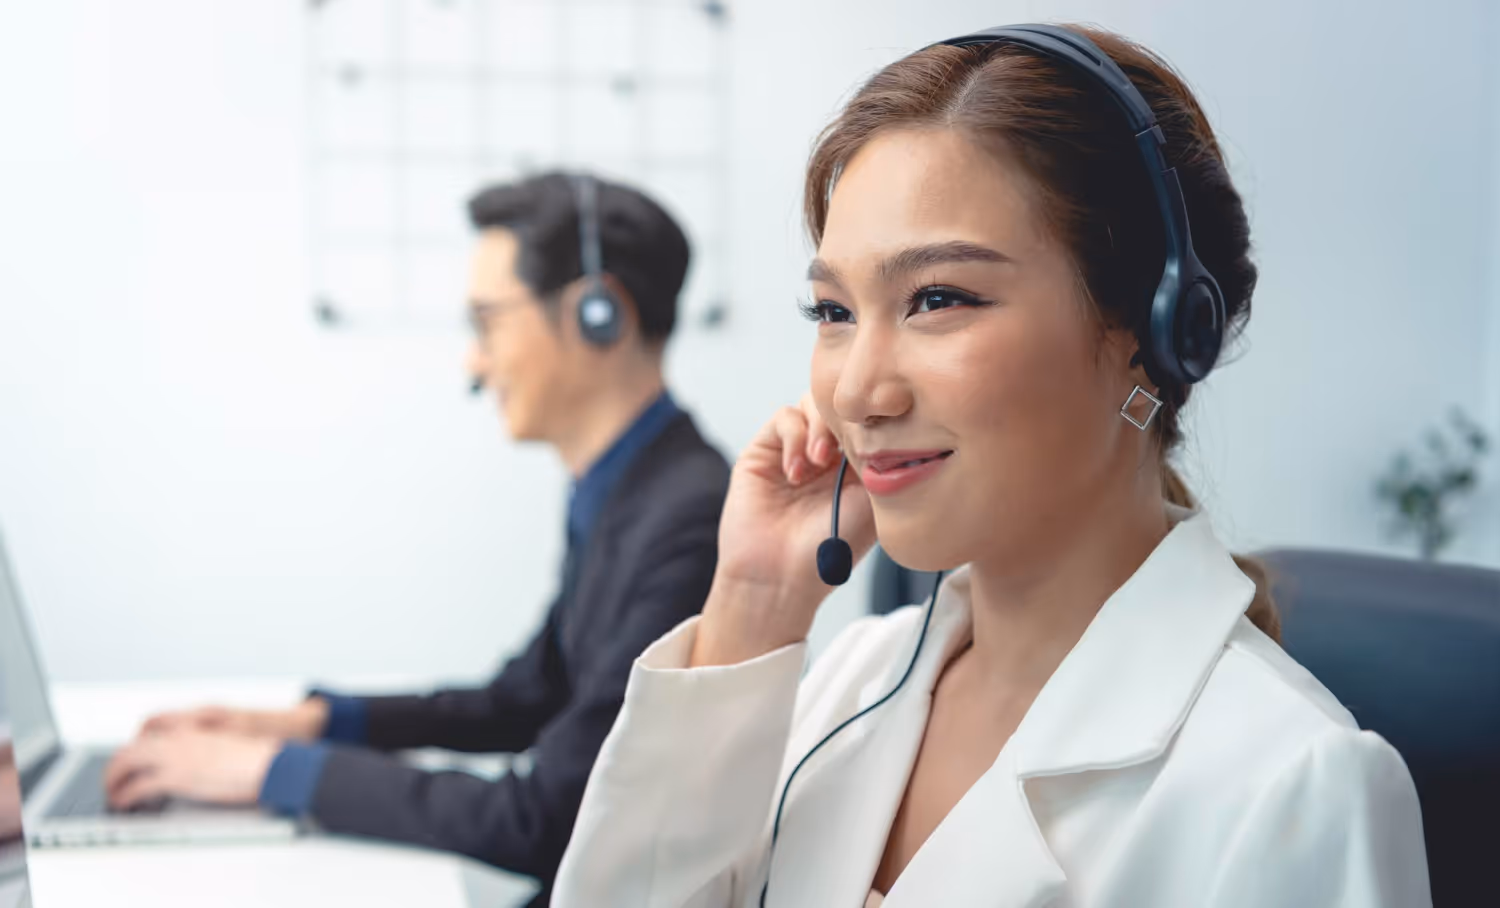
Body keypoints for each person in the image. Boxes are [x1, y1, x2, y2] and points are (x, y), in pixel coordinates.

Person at [552, 25, 1430, 908]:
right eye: (833, 311)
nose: (856, 392)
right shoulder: (856, 679)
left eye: (938, 299)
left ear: (1158, 331)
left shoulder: (1294, 788)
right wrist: (753, 603)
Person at [103, 172, 731, 905]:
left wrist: (270, 771)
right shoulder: (627, 488)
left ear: (600, 315)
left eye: (487, 323)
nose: (474, 362)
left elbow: (542, 817)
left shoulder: (686, 517)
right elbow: (525, 697)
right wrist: (310, 725)